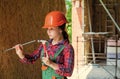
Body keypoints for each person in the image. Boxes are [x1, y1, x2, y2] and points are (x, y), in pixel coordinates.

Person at [14, 11, 74, 79]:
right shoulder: (45, 44)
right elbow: (33, 58)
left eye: (51, 29)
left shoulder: (67, 48)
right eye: (47, 29)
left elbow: (69, 71)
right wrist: (21, 55)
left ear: (60, 30)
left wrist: (51, 64)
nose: (48, 31)